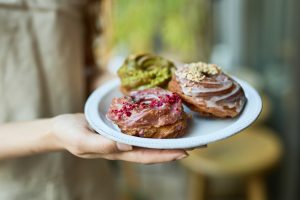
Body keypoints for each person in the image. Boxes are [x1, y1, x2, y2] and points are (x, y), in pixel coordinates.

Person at [0, 1, 187, 199]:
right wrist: (53, 132)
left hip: (89, 177)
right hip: (16, 185)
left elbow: (84, 70)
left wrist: (136, 86)